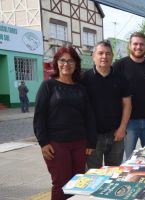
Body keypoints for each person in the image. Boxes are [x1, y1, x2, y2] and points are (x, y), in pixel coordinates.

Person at [33, 46, 97, 200]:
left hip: (79, 143)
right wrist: (43, 143)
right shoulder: (48, 86)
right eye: (62, 60)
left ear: (76, 64)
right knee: (61, 184)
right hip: (56, 145)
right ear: (56, 63)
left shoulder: (80, 89)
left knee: (78, 182)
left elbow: (89, 117)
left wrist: (91, 142)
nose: (66, 64)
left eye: (70, 61)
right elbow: (39, 116)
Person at [113, 32, 145, 159]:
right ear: (129, 45)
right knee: (127, 161)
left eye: (142, 44)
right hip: (128, 123)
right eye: (135, 44)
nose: (138, 47)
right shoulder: (119, 66)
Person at [82, 41, 131, 169]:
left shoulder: (121, 78)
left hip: (116, 134)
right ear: (94, 56)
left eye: (108, 53)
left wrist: (122, 128)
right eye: (100, 53)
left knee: (114, 172)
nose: (104, 56)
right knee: (93, 174)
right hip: (93, 137)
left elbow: (127, 104)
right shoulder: (84, 79)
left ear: (112, 56)